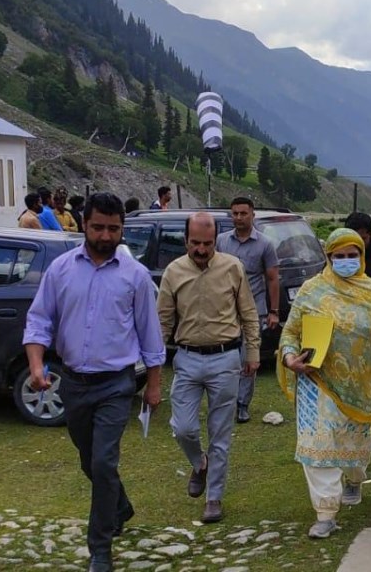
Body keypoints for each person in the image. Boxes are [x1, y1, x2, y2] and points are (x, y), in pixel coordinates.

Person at [22, 192, 165, 572]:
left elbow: (150, 336)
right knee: (90, 461)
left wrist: (153, 384)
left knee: (103, 461)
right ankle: (119, 504)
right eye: (98, 227)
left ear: (122, 228)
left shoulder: (134, 276)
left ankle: (100, 549)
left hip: (116, 385)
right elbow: (38, 322)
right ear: (84, 224)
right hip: (72, 383)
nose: (105, 235)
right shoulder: (61, 269)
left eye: (113, 229)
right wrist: (36, 365)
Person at [276, 229, 371, 539]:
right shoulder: (311, 290)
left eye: (352, 255)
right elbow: (290, 332)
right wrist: (291, 358)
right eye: (339, 256)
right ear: (328, 257)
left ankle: (353, 479)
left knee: (353, 446)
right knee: (317, 443)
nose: (346, 261)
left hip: (362, 385)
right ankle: (325, 513)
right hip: (316, 379)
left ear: (361, 257)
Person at [158, 212, 261, 524]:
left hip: (225, 358)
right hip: (187, 358)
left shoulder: (232, 268)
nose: (201, 249)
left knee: (221, 433)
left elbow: (248, 312)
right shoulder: (173, 272)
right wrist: (153, 362)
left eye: (206, 243)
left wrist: (252, 352)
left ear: (215, 239)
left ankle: (214, 497)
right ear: (185, 240)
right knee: (183, 427)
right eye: (194, 243)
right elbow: (162, 319)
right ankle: (199, 463)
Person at [216, 197, 280, 424]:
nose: (239, 218)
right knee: (225, 360)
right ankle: (225, 403)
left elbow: (272, 278)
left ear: (252, 214)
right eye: (235, 213)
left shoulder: (265, 244)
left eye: (243, 213)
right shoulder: (221, 241)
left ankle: (243, 404)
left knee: (248, 359)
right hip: (225, 312)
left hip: (254, 312)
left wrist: (273, 311)